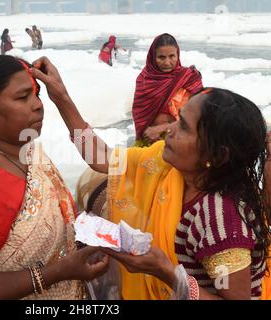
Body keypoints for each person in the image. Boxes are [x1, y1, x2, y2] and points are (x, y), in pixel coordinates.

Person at [30, 56, 271, 300]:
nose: (170, 129)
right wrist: (61, 97)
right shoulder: (164, 165)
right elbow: (99, 156)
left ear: (217, 156)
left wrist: (166, 272)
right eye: (177, 119)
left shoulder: (220, 217)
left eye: (184, 127)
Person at [0, 55, 109, 300]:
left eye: (37, 94)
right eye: (22, 97)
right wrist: (58, 271)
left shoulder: (26, 151)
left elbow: (103, 159)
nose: (38, 105)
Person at [132, 33, 203, 146]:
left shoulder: (189, 78)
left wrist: (162, 128)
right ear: (153, 57)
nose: (167, 62)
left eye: (172, 56)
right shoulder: (144, 80)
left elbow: (198, 116)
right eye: (161, 57)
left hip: (181, 143)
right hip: (149, 141)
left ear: (177, 55)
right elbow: (141, 117)